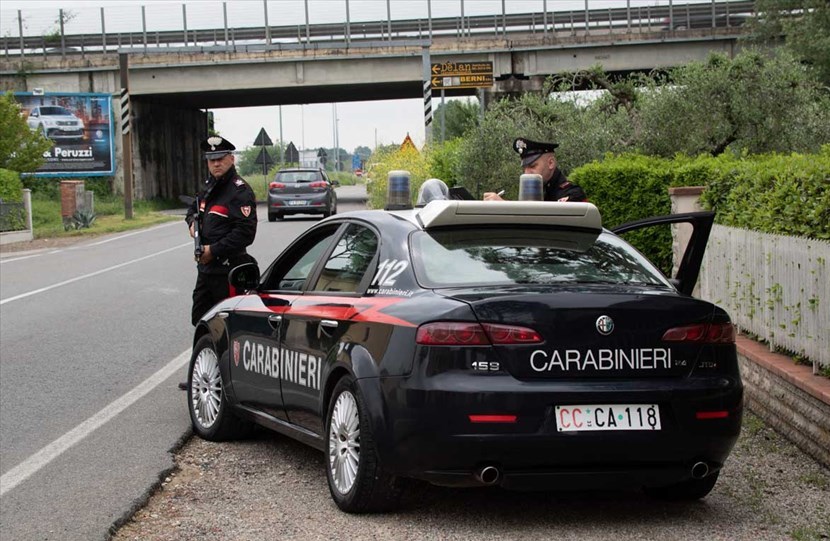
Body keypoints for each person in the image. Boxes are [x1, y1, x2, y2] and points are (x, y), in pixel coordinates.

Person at [186, 135, 258, 326]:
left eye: (220, 159)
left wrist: (213, 251)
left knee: (228, 326)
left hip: (228, 272)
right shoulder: (209, 186)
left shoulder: (239, 191)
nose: (216, 164)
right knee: (200, 320)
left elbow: (245, 233)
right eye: (212, 160)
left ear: (231, 159)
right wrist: (191, 223)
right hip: (206, 269)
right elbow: (193, 209)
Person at [483, 137, 587, 202]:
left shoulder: (573, 194)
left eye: (532, 166)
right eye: (524, 168)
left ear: (551, 163)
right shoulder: (535, 192)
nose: (527, 173)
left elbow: (544, 220)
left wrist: (505, 206)